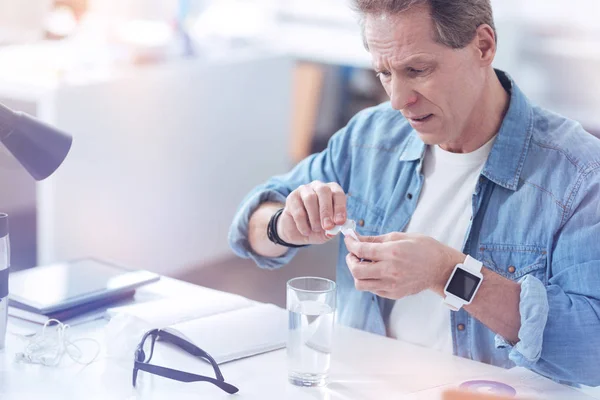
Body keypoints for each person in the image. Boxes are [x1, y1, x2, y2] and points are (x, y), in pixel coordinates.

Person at [228, 0, 600, 387]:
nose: (397, 99)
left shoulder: (579, 174)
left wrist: (448, 274)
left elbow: (591, 351)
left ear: (484, 46)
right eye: (384, 73)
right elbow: (248, 230)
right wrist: (283, 226)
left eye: (417, 71)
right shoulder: (370, 138)